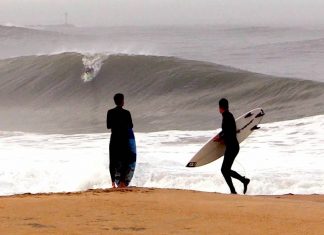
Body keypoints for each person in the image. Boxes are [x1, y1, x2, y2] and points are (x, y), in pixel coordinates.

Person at [213, 98, 250, 194]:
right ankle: (241, 184)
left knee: (224, 170)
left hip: (232, 147)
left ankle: (238, 186)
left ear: (220, 108)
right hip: (233, 146)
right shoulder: (229, 116)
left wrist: (220, 138)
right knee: (225, 170)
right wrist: (221, 136)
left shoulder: (226, 117)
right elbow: (228, 131)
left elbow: (227, 132)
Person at [107, 93, 133, 188]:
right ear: (122, 101)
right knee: (125, 160)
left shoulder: (110, 112)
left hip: (114, 139)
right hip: (123, 139)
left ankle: (113, 183)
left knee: (112, 161)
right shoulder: (127, 113)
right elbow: (131, 126)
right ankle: (122, 182)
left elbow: (108, 126)